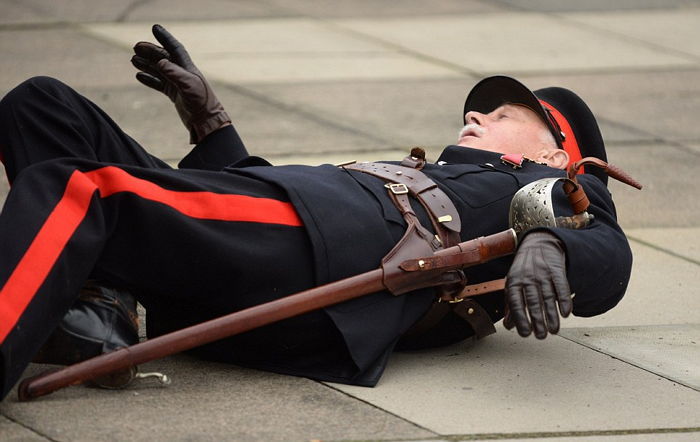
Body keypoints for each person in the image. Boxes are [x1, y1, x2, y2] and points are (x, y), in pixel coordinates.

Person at [0, 25, 632, 401]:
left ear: (555, 152)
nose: (474, 116)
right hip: (299, 236)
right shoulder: (445, 175)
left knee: (81, 190)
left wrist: (553, 245)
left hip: (338, 259)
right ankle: (98, 305)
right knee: (42, 104)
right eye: (478, 110)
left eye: (502, 117)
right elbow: (267, 208)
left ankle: (69, 308)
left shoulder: (558, 187)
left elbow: (609, 254)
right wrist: (212, 126)